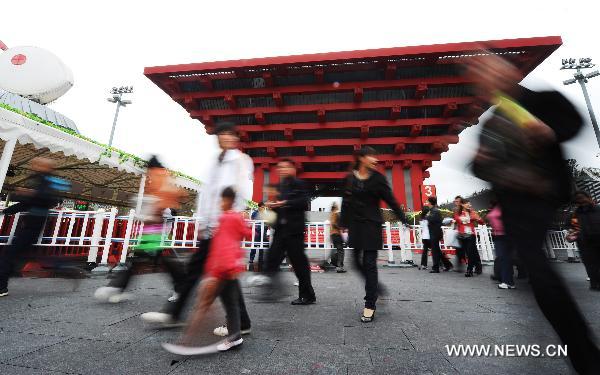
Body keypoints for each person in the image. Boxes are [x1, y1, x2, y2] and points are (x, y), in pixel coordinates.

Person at [469, 52, 600, 374]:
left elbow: (573, 123)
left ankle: (585, 355)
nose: (486, 76)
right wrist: (481, 160)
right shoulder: (493, 122)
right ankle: (580, 349)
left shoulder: (543, 100)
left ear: (508, 70)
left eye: (489, 67)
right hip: (515, 204)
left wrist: (550, 132)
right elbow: (477, 165)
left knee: (540, 274)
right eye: (479, 73)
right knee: (539, 274)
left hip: (542, 195)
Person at [141, 122, 254, 339]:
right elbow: (206, 192)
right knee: (200, 271)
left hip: (224, 223)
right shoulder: (214, 161)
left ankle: (178, 314)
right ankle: (177, 314)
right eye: (223, 134)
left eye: (231, 134)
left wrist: (232, 218)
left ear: (236, 138)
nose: (227, 138)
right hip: (210, 224)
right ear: (218, 137)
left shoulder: (241, 161)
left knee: (219, 274)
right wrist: (201, 222)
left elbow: (241, 191)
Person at [162, 187, 252, 354]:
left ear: (228, 201)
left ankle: (185, 343)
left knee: (203, 305)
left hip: (222, 267)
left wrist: (213, 269)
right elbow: (247, 234)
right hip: (230, 267)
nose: (220, 203)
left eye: (222, 200)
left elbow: (220, 246)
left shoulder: (225, 218)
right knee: (230, 303)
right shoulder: (235, 217)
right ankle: (235, 336)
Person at [94, 156, 186, 303]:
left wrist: (148, 216)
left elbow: (161, 204)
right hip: (155, 229)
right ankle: (119, 287)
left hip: (155, 229)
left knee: (153, 260)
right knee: (145, 260)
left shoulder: (158, 177)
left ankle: (118, 287)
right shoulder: (162, 177)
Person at [340, 147, 407, 322]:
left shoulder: (378, 179)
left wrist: (403, 217)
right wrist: (342, 224)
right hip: (356, 226)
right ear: (362, 158)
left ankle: (370, 304)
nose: (375, 160)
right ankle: (377, 288)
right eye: (372, 156)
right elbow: (346, 203)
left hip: (371, 226)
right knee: (355, 263)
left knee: (369, 264)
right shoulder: (350, 179)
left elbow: (390, 199)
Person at [0, 158, 85, 297]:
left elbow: (46, 200)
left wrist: (26, 194)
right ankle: (67, 269)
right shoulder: (38, 180)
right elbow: (28, 202)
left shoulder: (46, 182)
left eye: (39, 164)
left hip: (35, 223)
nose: (34, 165)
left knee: (11, 254)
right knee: (30, 254)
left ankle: (1, 287)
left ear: (46, 167)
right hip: (32, 222)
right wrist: (7, 210)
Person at [251, 159, 316, 305]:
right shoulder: (280, 186)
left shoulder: (299, 184)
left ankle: (307, 295)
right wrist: (273, 206)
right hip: (281, 229)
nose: (282, 169)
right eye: (280, 167)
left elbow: (303, 202)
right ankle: (270, 289)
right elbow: (280, 207)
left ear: (293, 169)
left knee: (299, 264)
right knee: (271, 258)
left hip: (294, 231)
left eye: (286, 167)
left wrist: (284, 203)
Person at [569, 191, 600, 290]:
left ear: (589, 198)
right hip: (585, 243)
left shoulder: (598, 209)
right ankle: (594, 283)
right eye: (578, 200)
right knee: (590, 263)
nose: (581, 201)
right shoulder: (575, 214)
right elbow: (571, 227)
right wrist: (571, 234)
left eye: (582, 198)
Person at [487, 199, 514, 289]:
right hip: (498, 235)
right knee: (503, 259)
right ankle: (508, 281)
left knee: (504, 259)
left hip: (504, 236)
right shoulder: (496, 206)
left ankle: (507, 281)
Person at [453, 199, 483, 277]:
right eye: (467, 204)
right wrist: (466, 218)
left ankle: (469, 270)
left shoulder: (472, 212)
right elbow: (458, 220)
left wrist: (477, 218)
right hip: (462, 236)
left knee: (470, 253)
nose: (469, 205)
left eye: (470, 204)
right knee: (466, 253)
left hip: (471, 235)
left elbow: (482, 222)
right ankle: (477, 266)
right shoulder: (458, 213)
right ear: (462, 205)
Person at [426, 196, 453, 273]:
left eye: (427, 202)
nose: (427, 203)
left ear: (430, 202)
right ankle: (448, 265)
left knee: (435, 251)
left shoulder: (435, 211)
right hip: (434, 232)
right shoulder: (432, 210)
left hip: (435, 233)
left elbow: (432, 219)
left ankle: (436, 267)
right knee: (437, 251)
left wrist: (427, 216)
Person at [248, 202, 267, 271]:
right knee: (254, 245)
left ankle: (261, 259)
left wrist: (265, 228)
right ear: (259, 207)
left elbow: (266, 223)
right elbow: (253, 221)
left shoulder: (264, 214)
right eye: (262, 207)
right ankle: (251, 259)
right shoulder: (254, 213)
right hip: (256, 231)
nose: (263, 208)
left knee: (261, 246)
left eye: (264, 207)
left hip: (262, 231)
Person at [329, 202, 346, 273]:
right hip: (336, 234)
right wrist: (340, 228)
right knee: (341, 251)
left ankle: (336, 264)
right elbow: (334, 223)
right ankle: (339, 267)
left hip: (333, 234)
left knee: (337, 250)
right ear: (335, 207)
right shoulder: (335, 213)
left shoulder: (331, 214)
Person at [452, 195, 466, 271]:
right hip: (458, 231)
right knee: (458, 249)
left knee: (464, 249)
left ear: (461, 202)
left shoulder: (464, 209)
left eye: (457, 201)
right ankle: (459, 266)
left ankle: (475, 266)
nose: (456, 203)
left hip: (465, 232)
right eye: (455, 201)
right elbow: (454, 219)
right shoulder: (454, 209)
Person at [418, 205, 431, 270]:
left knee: (425, 251)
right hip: (430, 236)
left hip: (424, 237)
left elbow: (422, 227)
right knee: (436, 251)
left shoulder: (421, 218)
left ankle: (423, 264)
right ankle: (443, 264)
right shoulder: (429, 218)